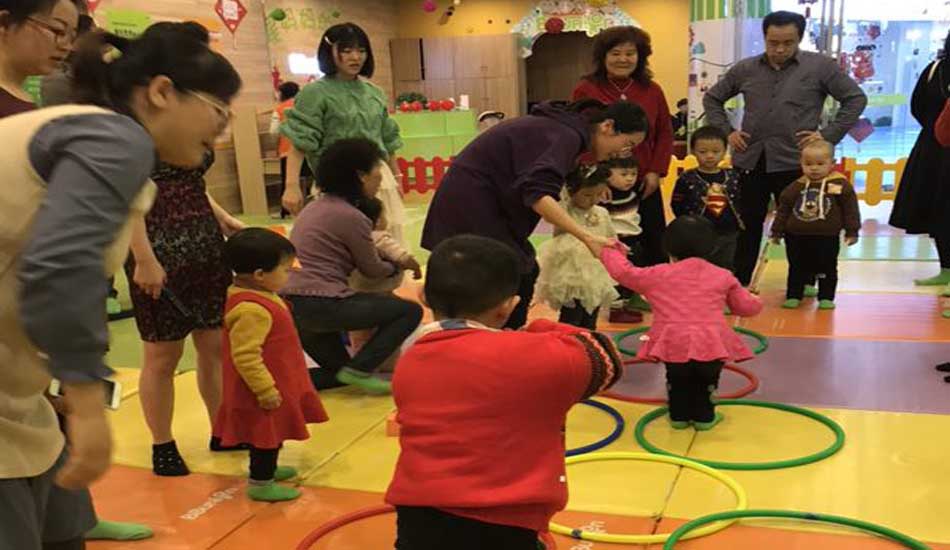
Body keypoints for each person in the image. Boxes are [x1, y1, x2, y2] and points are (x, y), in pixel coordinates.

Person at [0, 15, 241, 550]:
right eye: (218, 110)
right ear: (161, 92)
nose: (221, 130)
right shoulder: (113, 138)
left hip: (20, 387)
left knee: (64, 530)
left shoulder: (111, 145)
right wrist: (87, 403)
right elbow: (60, 270)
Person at [386, 235, 623, 550]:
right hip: (506, 518)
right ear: (507, 308)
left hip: (418, 514)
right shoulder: (533, 356)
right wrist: (539, 329)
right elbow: (607, 360)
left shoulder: (411, 358)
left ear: (423, 297)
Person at [20, 3, 153, 543]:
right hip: (29, 304)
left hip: (39, 316)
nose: (64, 42)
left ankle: (75, 513)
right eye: (55, 29)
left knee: (54, 430)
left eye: (71, 32)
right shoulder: (78, 122)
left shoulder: (40, 104)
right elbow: (56, 258)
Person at [122, 29, 246, 476]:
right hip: (155, 243)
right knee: (162, 354)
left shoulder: (184, 124)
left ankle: (221, 428)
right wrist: (144, 258)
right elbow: (125, 197)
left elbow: (192, 180)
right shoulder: (133, 129)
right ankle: (163, 443)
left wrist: (222, 216)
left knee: (213, 344)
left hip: (203, 240)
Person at [422, 99, 649, 329]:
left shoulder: (566, 130)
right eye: (627, 144)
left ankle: (497, 337)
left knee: (521, 272)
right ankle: (492, 338)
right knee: (510, 275)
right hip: (472, 206)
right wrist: (587, 237)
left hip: (480, 205)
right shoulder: (566, 135)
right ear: (608, 126)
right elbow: (539, 195)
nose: (623, 153)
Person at [703, 10, 867, 287]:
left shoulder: (820, 67)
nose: (779, 49)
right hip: (750, 160)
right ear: (765, 38)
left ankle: (803, 283)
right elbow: (712, 98)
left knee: (801, 225)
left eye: (788, 43)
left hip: (797, 162)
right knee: (746, 225)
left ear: (800, 38)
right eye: (773, 42)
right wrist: (727, 132)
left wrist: (826, 136)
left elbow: (855, 98)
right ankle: (738, 283)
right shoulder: (745, 69)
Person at [283, 138, 423, 394]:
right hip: (323, 302)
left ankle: (282, 383)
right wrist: (395, 267)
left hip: (293, 306)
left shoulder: (313, 208)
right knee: (409, 311)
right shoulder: (351, 216)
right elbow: (372, 269)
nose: (380, 178)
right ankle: (360, 369)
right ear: (360, 175)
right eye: (377, 170)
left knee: (339, 374)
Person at [600, 216, 763, 430]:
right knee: (707, 381)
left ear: (667, 247)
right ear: (712, 247)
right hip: (710, 342)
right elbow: (744, 308)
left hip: (673, 341)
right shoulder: (723, 276)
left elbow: (624, 273)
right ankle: (705, 418)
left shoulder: (658, 274)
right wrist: (755, 301)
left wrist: (610, 251)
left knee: (677, 380)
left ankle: (678, 416)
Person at [213, 228, 329, 502]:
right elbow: (246, 356)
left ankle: (269, 470)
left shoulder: (261, 294)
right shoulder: (251, 309)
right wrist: (265, 390)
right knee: (264, 434)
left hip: (280, 377)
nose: (290, 274)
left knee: (274, 431)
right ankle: (260, 482)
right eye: (285, 270)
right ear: (259, 275)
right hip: (262, 387)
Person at [281, 22, 406, 247]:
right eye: (347, 51)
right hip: (335, 181)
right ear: (329, 52)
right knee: (343, 244)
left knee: (385, 243)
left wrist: (397, 177)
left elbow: (387, 139)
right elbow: (300, 142)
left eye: (361, 50)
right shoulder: (314, 93)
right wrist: (291, 186)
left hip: (378, 177)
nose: (355, 57)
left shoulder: (374, 93)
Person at [572, 26, 675, 274]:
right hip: (603, 182)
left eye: (630, 53)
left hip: (643, 179)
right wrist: (596, 178)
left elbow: (664, 132)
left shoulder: (652, 90)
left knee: (653, 240)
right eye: (615, 53)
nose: (623, 59)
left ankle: (654, 286)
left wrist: (655, 171)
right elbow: (581, 133)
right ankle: (614, 290)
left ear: (640, 56)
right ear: (603, 56)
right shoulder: (586, 89)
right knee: (609, 239)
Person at [889, 31, 950, 291]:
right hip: (935, 150)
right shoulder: (935, 69)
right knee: (937, 211)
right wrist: (937, 129)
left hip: (935, 145)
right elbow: (918, 105)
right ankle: (946, 269)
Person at [770, 140, 860, 310]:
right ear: (801, 164)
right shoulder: (796, 186)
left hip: (827, 236)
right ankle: (794, 294)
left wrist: (852, 231)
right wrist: (776, 231)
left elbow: (850, 210)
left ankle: (826, 296)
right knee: (797, 266)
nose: (814, 168)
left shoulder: (838, 184)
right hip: (796, 236)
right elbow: (783, 209)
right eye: (808, 164)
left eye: (820, 164)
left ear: (832, 163)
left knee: (826, 267)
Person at [536, 165, 619, 330]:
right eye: (587, 195)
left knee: (591, 313)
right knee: (571, 316)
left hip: (596, 274)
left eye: (599, 194)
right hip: (570, 276)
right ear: (571, 192)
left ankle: (589, 339)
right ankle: (568, 340)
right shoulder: (563, 212)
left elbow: (611, 237)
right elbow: (558, 198)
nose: (593, 199)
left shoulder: (602, 212)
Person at [348, 197, 423, 372]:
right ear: (378, 220)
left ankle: (361, 364)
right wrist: (415, 267)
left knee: (359, 332)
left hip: (355, 293)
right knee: (389, 328)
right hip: (381, 293)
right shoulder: (379, 237)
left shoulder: (349, 238)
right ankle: (388, 364)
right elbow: (401, 256)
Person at [671, 126, 744, 271]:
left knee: (726, 266)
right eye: (703, 152)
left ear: (725, 151)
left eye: (716, 152)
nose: (710, 156)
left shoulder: (733, 176)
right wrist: (688, 224)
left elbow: (741, 200)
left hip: (728, 231)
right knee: (698, 267)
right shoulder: (687, 178)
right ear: (693, 151)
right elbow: (676, 203)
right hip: (697, 233)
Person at [599, 156, 646, 323]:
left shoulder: (633, 193)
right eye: (624, 174)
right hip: (615, 242)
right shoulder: (605, 196)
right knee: (616, 277)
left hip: (633, 239)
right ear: (607, 175)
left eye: (633, 174)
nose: (629, 178)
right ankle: (615, 309)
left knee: (631, 275)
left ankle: (626, 304)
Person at [270, 81, 313, 219]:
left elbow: (274, 131)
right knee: (311, 181)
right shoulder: (306, 106)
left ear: (282, 94)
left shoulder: (280, 109)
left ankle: (287, 211)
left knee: (288, 181)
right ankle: (311, 209)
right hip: (309, 150)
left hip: (287, 151)